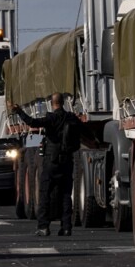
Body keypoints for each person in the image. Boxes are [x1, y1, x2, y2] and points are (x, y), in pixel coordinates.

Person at [13, 93, 82, 237]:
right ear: (63, 103)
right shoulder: (71, 118)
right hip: (66, 160)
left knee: (45, 193)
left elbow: (32, 122)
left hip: (51, 160)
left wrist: (19, 111)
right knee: (65, 194)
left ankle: (43, 226)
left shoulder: (51, 118)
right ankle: (66, 227)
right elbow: (83, 132)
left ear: (52, 103)